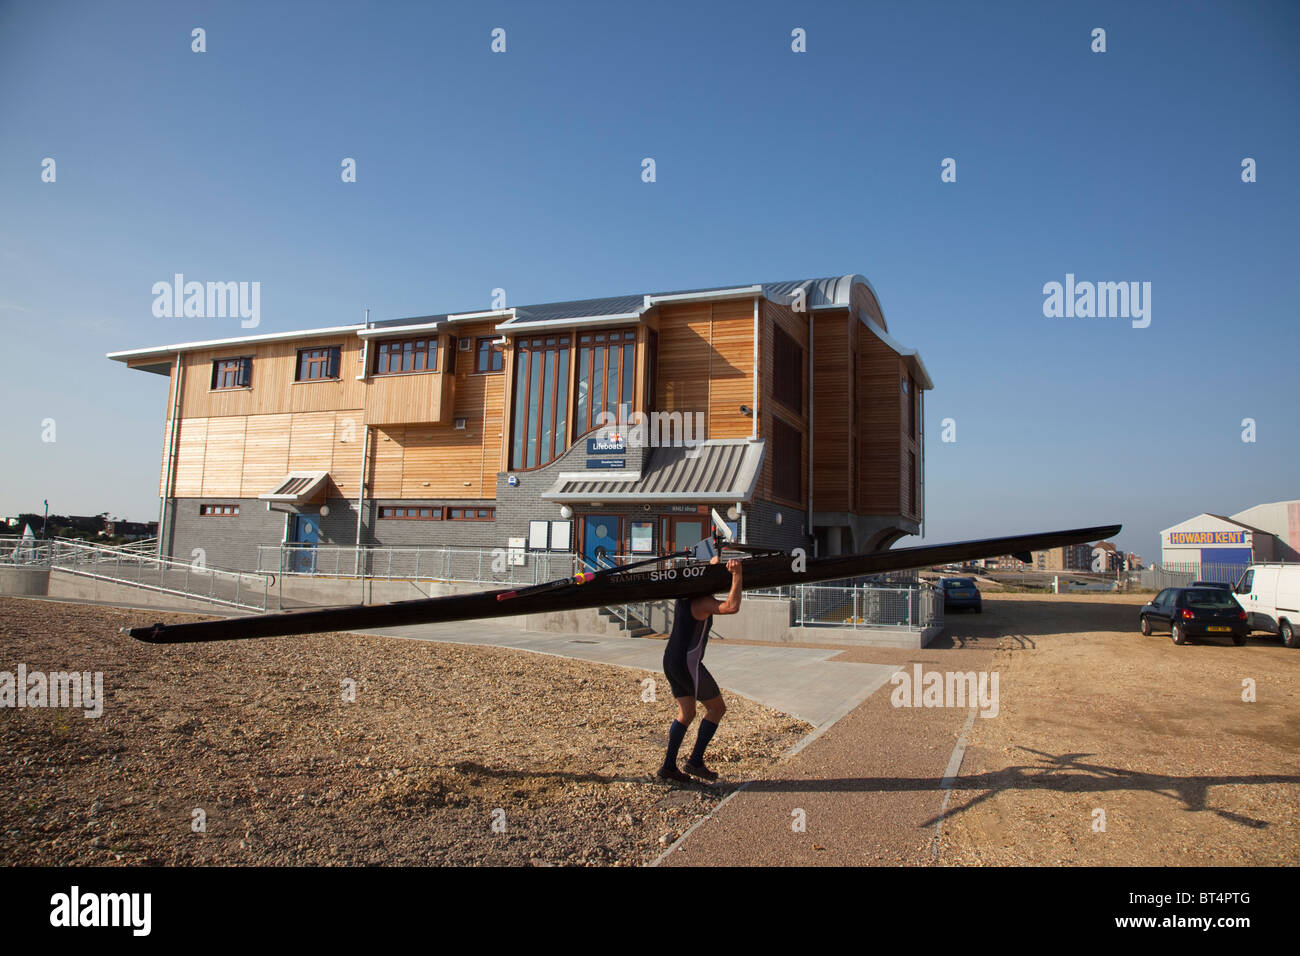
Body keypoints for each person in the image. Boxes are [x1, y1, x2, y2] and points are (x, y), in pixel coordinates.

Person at [658, 555, 743, 783]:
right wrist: (737, 575)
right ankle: (693, 761)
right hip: (686, 662)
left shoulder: (685, 597)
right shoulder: (702, 602)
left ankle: (670, 767)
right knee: (715, 709)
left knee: (688, 713)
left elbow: (708, 575)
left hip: (673, 659)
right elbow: (731, 606)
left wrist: (715, 563)